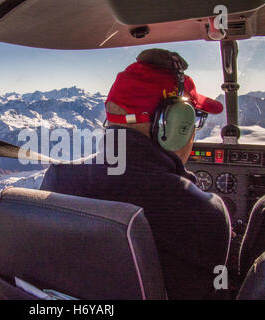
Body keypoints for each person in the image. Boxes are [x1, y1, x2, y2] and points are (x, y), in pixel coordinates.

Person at [40, 48, 231, 299]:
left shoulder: (58, 181)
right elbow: (218, 290)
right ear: (175, 125)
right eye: (192, 119)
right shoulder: (204, 212)